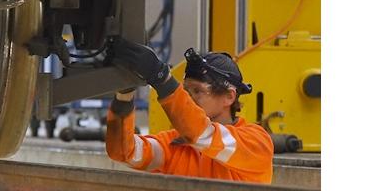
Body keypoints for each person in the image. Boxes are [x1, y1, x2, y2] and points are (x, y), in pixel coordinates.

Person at [106, 38, 273, 183]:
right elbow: (125, 152)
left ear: (229, 97)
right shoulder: (177, 145)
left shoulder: (256, 142)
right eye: (186, 91)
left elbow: (202, 133)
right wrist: (125, 93)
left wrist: (162, 78)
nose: (188, 98)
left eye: (198, 91)